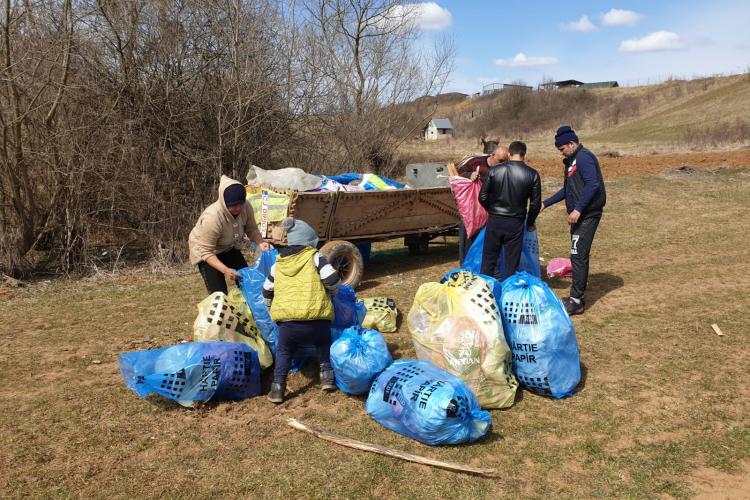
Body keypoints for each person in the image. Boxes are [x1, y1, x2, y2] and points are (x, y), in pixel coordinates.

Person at [262, 217, 341, 403]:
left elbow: (266, 291)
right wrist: (333, 290)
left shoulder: (278, 263)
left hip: (288, 325)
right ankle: (327, 376)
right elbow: (331, 279)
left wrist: (271, 309)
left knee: (284, 351)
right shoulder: (315, 257)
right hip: (316, 320)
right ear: (309, 242)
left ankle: (278, 387)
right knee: (323, 343)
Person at [540, 125, 606, 315]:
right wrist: (546, 203)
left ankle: (577, 301)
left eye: (561, 149)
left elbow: (593, 184)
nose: (560, 152)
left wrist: (577, 209)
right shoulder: (571, 161)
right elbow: (568, 189)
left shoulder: (583, 158)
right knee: (577, 255)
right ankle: (576, 297)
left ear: (571, 143)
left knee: (578, 255)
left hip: (588, 215)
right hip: (580, 215)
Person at [188, 175, 271, 295]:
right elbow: (206, 251)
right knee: (219, 294)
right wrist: (225, 270)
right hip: (207, 253)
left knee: (248, 281)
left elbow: (252, 229)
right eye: (233, 205)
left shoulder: (246, 207)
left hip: (228, 247)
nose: (238, 208)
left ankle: (249, 311)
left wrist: (261, 243)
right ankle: (220, 311)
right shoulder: (212, 218)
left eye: (240, 203)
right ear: (224, 203)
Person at [478, 141, 541, 280]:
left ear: (509, 153)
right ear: (524, 154)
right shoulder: (533, 174)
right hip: (516, 222)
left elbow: (482, 197)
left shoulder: (495, 170)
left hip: (495, 220)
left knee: (489, 258)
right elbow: (535, 204)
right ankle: (508, 292)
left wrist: (493, 210)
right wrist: (530, 222)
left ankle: (485, 290)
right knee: (512, 261)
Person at [456, 146, 510, 263]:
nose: (502, 164)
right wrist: (469, 175)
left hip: (489, 208)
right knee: (467, 237)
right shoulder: (476, 162)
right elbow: (457, 173)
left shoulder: (504, 168)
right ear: (492, 155)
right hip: (471, 208)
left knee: (485, 239)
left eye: (505, 161)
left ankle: (480, 263)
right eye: (500, 161)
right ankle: (465, 265)